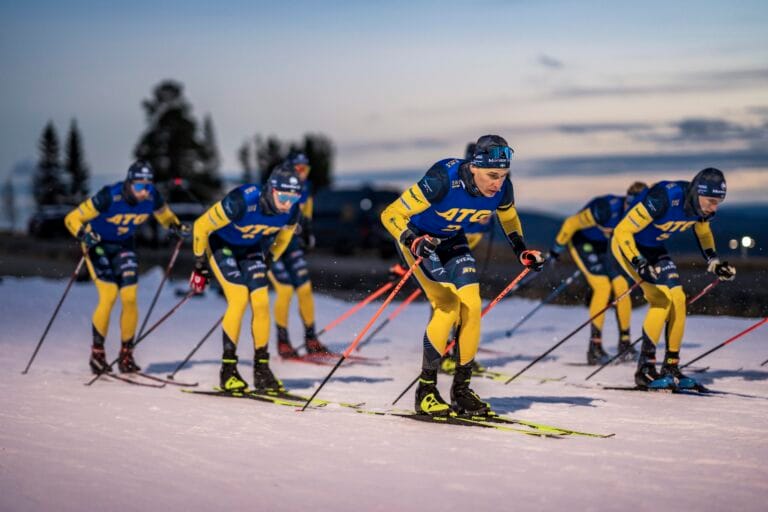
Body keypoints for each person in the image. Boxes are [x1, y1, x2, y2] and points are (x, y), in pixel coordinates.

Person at [380, 135, 545, 416]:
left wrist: (521, 250)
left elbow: (508, 217)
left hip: (452, 239)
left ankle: (461, 390)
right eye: (492, 175)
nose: (498, 182)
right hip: (419, 240)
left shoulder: (502, 189)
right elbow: (390, 213)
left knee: (471, 305)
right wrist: (411, 240)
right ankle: (426, 391)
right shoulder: (444, 177)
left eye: (504, 175)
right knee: (447, 307)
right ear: (474, 168)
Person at [611, 168, 735, 390]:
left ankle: (671, 367)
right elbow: (622, 232)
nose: (714, 207)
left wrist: (715, 262)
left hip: (654, 248)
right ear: (697, 192)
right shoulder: (665, 197)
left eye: (719, 202)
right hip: (627, 247)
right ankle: (645, 369)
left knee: (678, 297)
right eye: (711, 201)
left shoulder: (702, 208)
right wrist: (638, 262)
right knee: (660, 299)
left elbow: (704, 233)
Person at [64, 161, 187, 374]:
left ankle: (126, 354)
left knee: (130, 297)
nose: (144, 192)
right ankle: (97, 353)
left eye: (148, 186)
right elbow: (72, 218)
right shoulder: (109, 196)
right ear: (129, 183)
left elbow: (164, 215)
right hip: (98, 244)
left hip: (124, 245)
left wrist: (175, 226)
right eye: (140, 186)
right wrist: (83, 234)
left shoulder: (152, 197)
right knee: (109, 294)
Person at [189, 163, 302, 392]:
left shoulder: (292, 210)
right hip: (221, 246)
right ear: (270, 189)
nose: (287, 203)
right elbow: (200, 226)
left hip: (251, 249)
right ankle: (228, 370)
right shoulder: (242, 200)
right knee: (239, 298)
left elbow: (284, 238)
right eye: (283, 196)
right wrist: (200, 265)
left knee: (261, 302)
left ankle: (262, 369)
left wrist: (270, 258)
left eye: (293, 197)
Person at [549, 182, 648, 365]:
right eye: (630, 207)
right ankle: (594, 348)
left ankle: (625, 344)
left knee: (622, 287)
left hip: (607, 246)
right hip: (583, 242)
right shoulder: (605, 207)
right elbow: (571, 223)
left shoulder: (644, 214)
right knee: (602, 286)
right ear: (627, 200)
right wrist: (556, 250)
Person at [267, 152, 330, 358]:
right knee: (285, 290)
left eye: (307, 169)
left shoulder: (304, 187)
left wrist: (308, 231)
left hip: (292, 244)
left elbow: (307, 209)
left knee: (304, 288)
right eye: (300, 169)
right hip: (271, 246)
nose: (303, 173)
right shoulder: (278, 183)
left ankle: (310, 338)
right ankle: (283, 341)